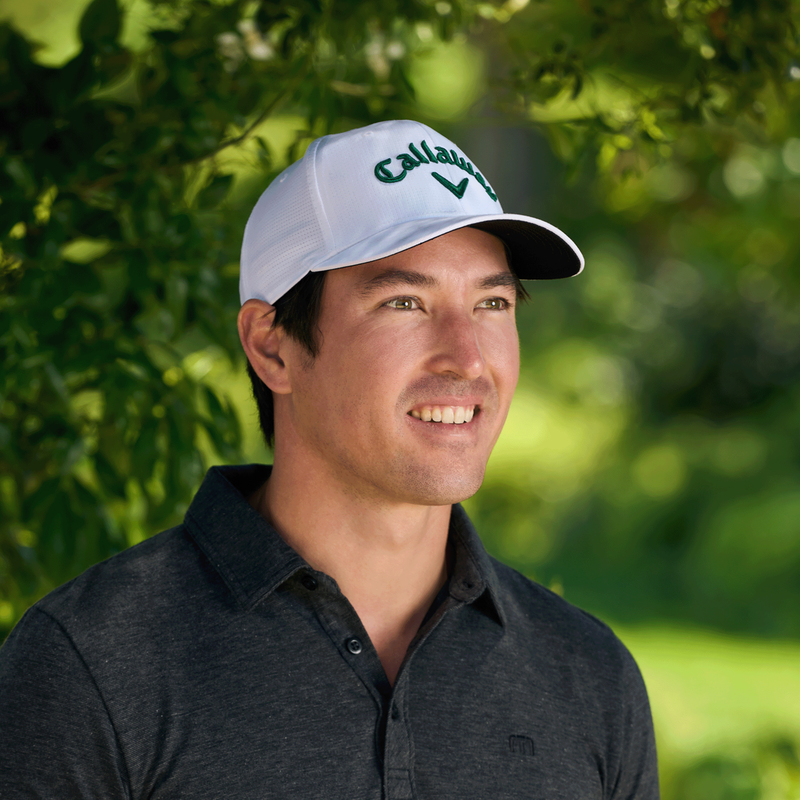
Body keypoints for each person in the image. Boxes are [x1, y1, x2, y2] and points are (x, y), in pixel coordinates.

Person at [0, 119, 659, 798]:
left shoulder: (590, 676)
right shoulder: (89, 665)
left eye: (492, 302)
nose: (468, 359)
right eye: (405, 302)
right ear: (272, 346)